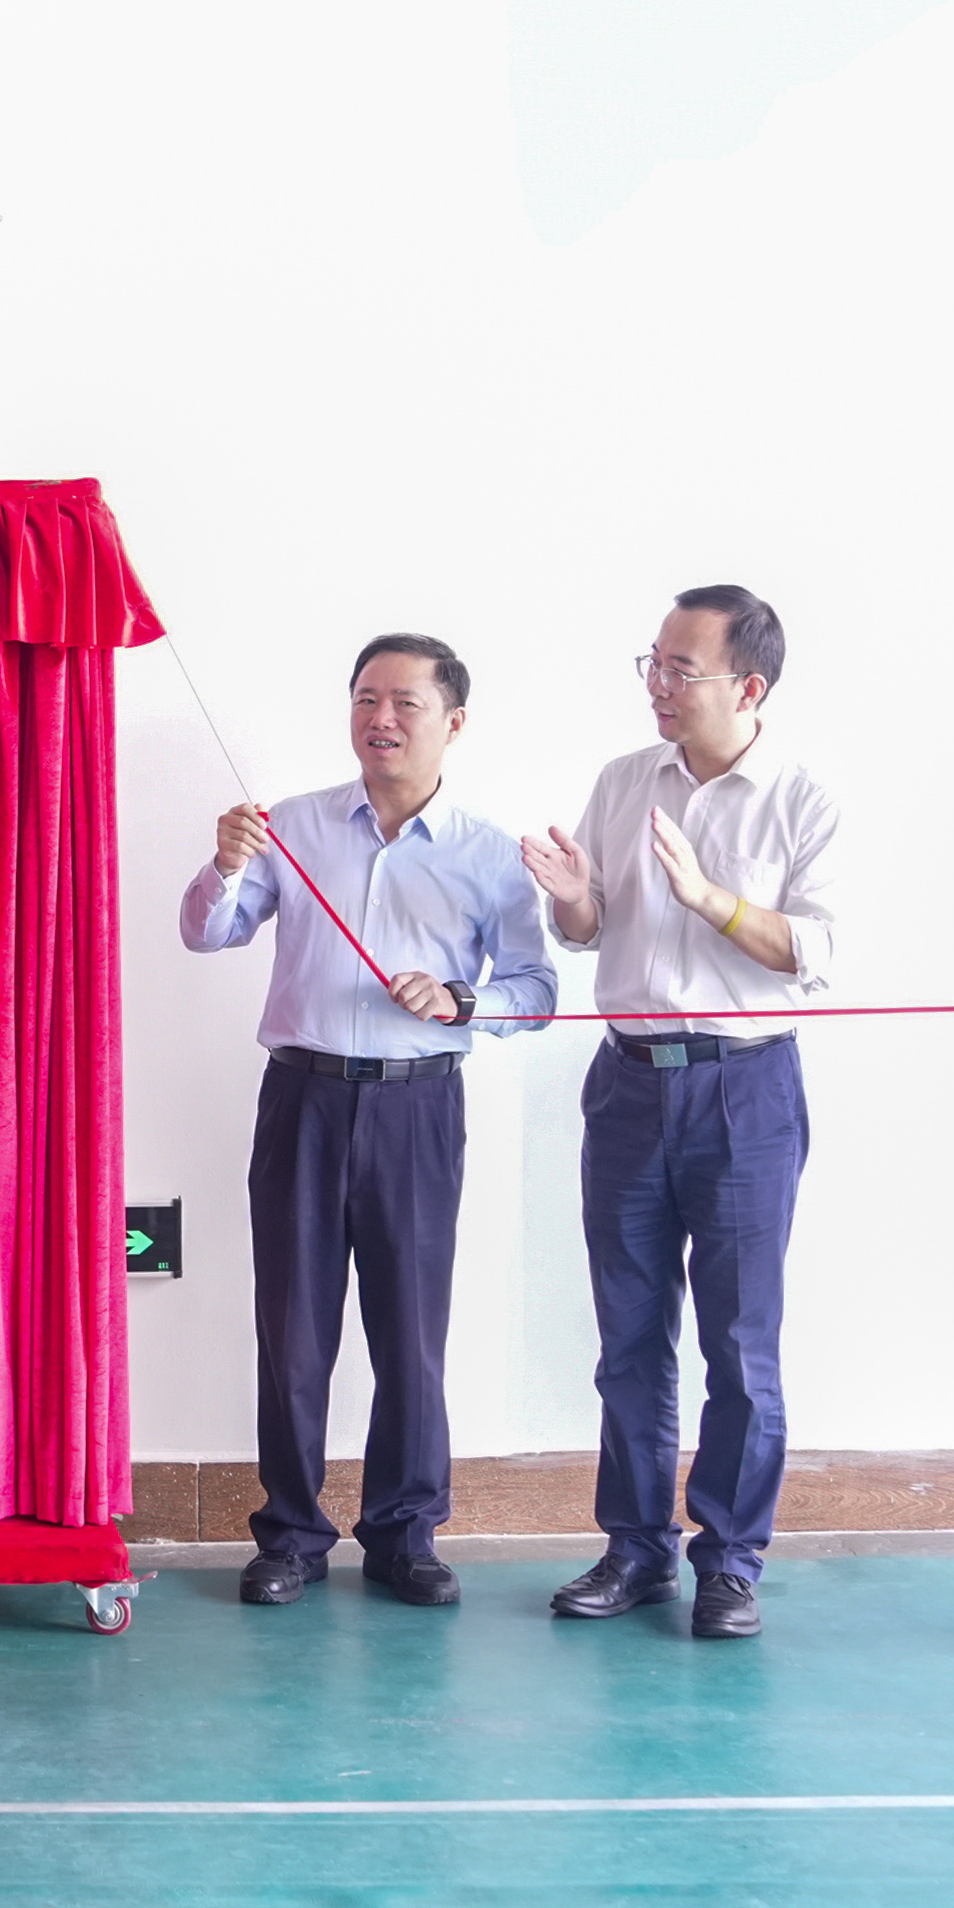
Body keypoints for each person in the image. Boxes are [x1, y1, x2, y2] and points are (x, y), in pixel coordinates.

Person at [183, 634, 555, 1609]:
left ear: (454, 722)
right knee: (294, 1329)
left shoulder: (489, 853)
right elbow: (207, 929)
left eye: (405, 702)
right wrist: (224, 866)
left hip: (418, 1105)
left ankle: (405, 1532)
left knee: (410, 1331)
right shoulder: (291, 826)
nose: (380, 717)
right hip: (301, 1097)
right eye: (364, 697)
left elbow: (537, 991)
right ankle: (291, 1533)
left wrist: (462, 999)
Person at [520, 584, 837, 1641]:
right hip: (626, 1080)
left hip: (745, 1086)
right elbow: (591, 924)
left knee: (741, 1341)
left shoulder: (801, 797)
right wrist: (572, 896)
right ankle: (636, 1546)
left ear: (748, 685)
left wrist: (713, 900)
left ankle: (731, 1558)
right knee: (629, 1334)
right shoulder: (624, 780)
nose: (658, 684)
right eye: (651, 663)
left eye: (680, 669)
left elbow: (818, 953)